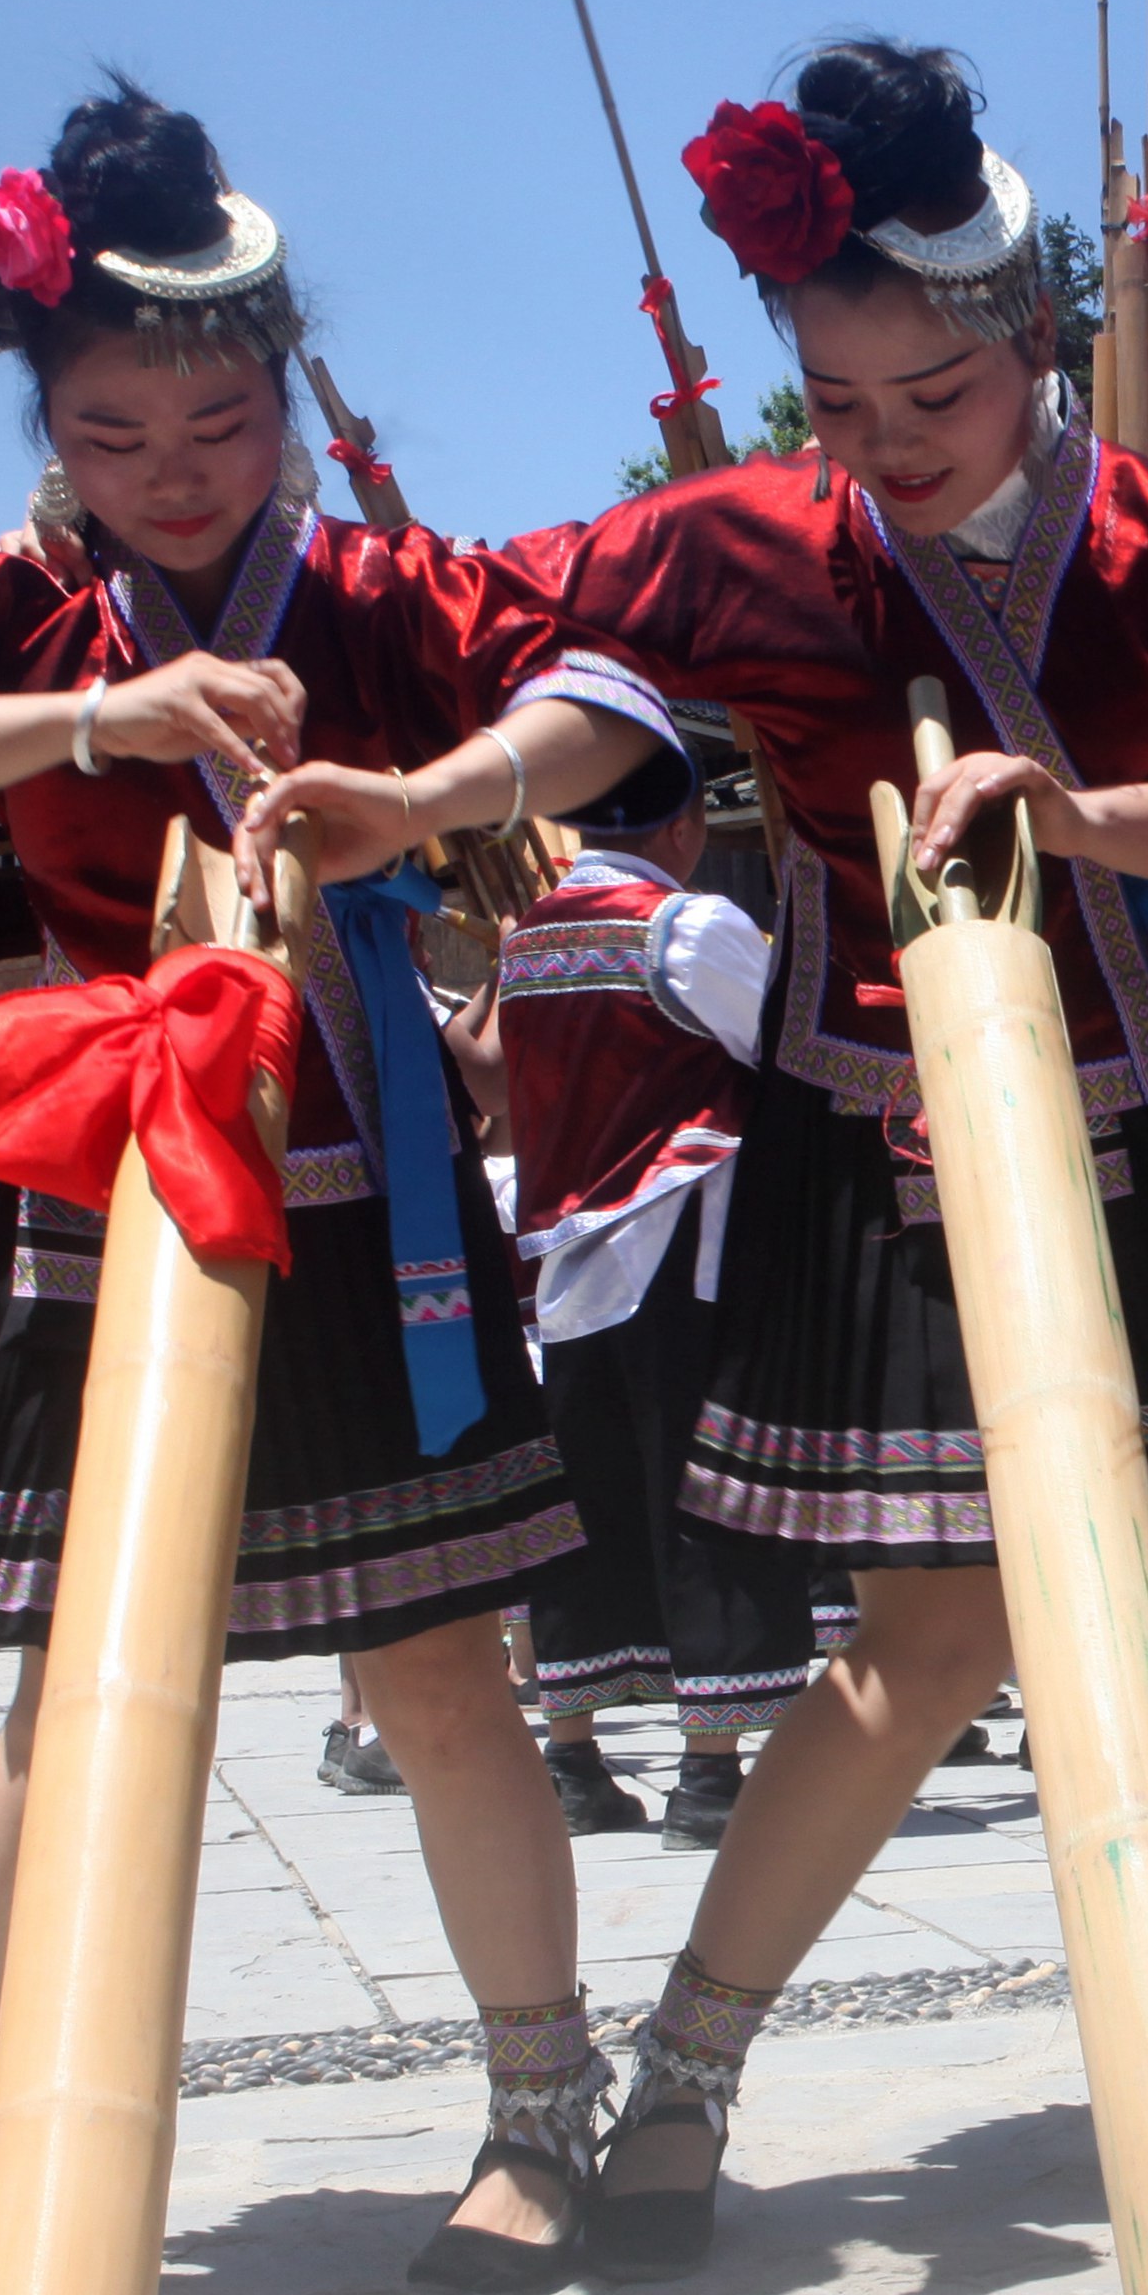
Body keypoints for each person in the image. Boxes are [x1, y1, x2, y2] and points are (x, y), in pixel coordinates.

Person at [0, 78, 617, 2295]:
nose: (175, 471)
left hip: (368, 1208)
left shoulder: (366, 595)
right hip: (117, 1195)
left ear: (280, 409)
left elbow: (608, 683)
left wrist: (430, 793)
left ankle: (547, 2114)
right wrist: (87, 726)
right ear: (49, 421)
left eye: (220, 422)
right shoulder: (8, 613)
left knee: (439, 1677)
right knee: (68, 1693)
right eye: (121, 432)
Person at [531, 37, 1148, 2272]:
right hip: (889, 1124)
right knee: (936, 1629)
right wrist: (456, 776)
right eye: (840, 404)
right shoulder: (745, 542)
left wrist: (1082, 814)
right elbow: (534, 650)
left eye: (940, 399)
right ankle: (692, 2056)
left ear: (1036, 348)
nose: (891, 448)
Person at [475, 758, 805, 1847]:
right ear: (684, 821)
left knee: (585, 1497)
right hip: (676, 1228)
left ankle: (572, 1753)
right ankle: (710, 1773)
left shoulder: (525, 940)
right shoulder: (686, 924)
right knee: (697, 1488)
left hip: (565, 1250)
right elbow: (788, 1049)